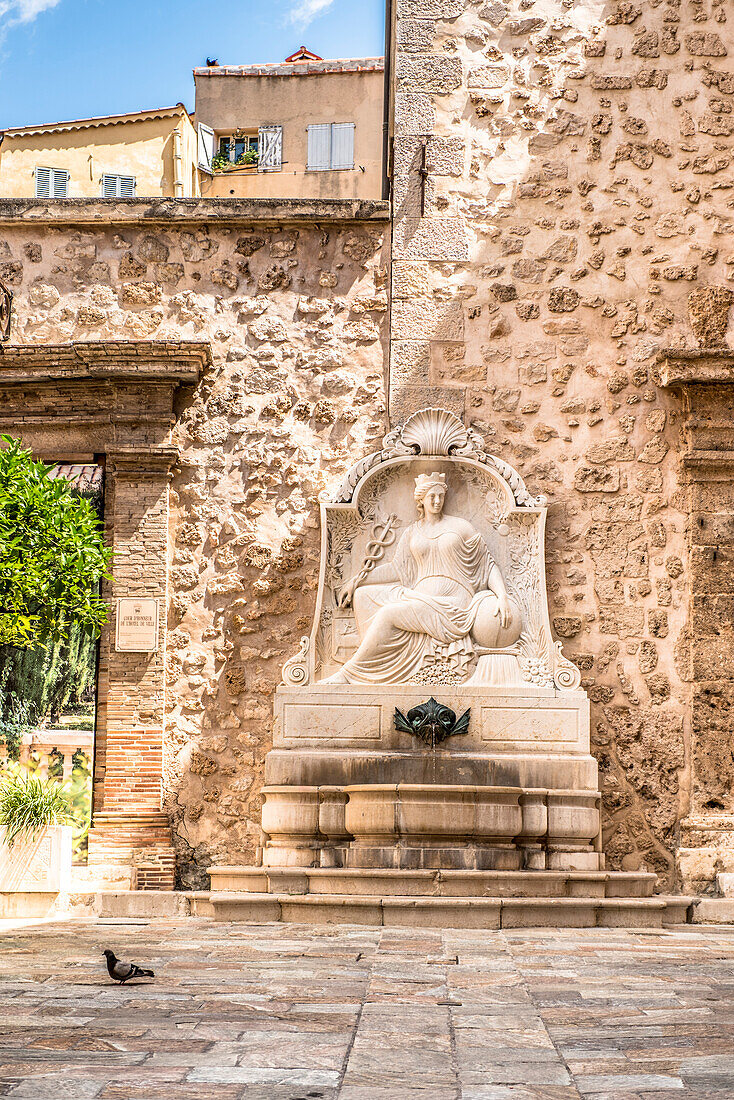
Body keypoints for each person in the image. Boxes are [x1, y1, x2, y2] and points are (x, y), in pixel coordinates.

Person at [323, 472, 520, 684]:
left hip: (452, 604)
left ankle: (350, 673)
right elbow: (396, 570)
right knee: (363, 596)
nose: (437, 501)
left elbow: (488, 565)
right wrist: (356, 581)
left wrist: (502, 596)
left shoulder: (461, 527)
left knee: (388, 614)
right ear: (421, 500)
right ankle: (373, 660)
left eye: (440, 496)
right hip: (418, 597)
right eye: (431, 497)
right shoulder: (412, 532)